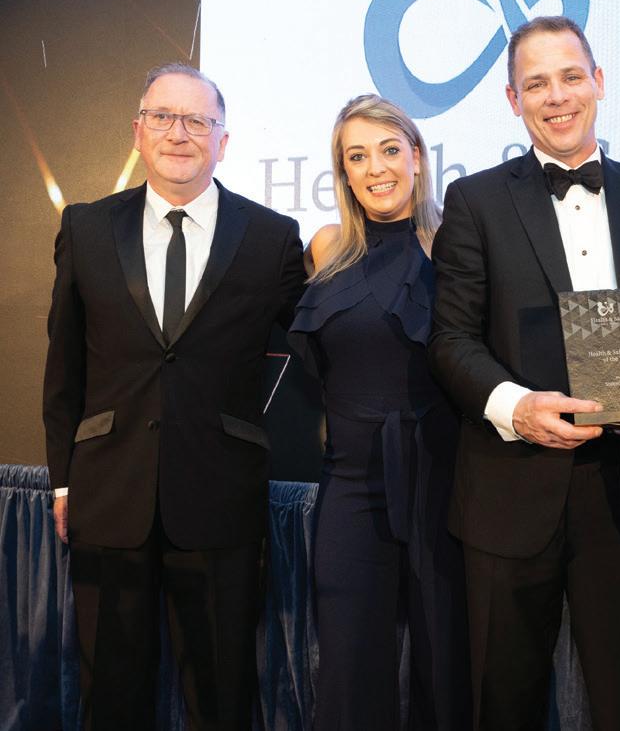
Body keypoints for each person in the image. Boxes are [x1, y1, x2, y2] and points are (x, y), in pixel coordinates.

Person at [427, 15, 620, 730]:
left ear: (598, 82)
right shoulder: (474, 202)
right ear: (512, 99)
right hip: (508, 487)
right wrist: (517, 407)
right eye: (536, 84)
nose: (556, 96)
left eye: (569, 76)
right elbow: (451, 339)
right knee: (502, 705)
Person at [42, 62, 305, 729]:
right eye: (162, 116)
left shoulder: (272, 237)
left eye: (197, 120)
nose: (178, 132)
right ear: (138, 131)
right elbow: (63, 365)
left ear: (223, 140)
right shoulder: (85, 227)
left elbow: (321, 341)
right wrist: (63, 480)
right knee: (110, 697)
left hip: (221, 499)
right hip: (108, 494)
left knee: (221, 697)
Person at [289, 95, 469, 730]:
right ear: (343, 170)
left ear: (416, 156)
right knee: (347, 668)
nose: (376, 169)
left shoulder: (454, 245)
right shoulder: (327, 246)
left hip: (443, 480)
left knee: (446, 668)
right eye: (357, 156)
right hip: (350, 483)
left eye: (390, 150)